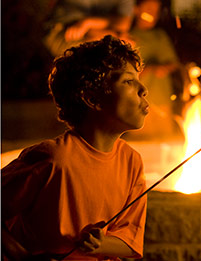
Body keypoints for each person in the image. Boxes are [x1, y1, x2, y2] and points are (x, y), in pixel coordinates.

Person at [2, 35, 149, 260]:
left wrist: (101, 244)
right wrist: (21, 256)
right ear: (92, 98)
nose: (143, 89)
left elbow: (131, 242)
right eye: (128, 81)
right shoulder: (54, 159)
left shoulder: (132, 162)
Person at [124, 0, 181, 140]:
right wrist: (149, 69)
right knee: (141, 143)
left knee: (165, 144)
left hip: (162, 100)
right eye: (148, 9)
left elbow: (174, 63)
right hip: (137, 101)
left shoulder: (160, 36)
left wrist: (164, 68)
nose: (152, 14)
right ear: (136, 10)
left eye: (156, 11)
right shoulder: (128, 37)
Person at [44, 0, 135, 57]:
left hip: (86, 39)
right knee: (117, 41)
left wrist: (88, 23)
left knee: (118, 40)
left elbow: (123, 24)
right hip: (60, 32)